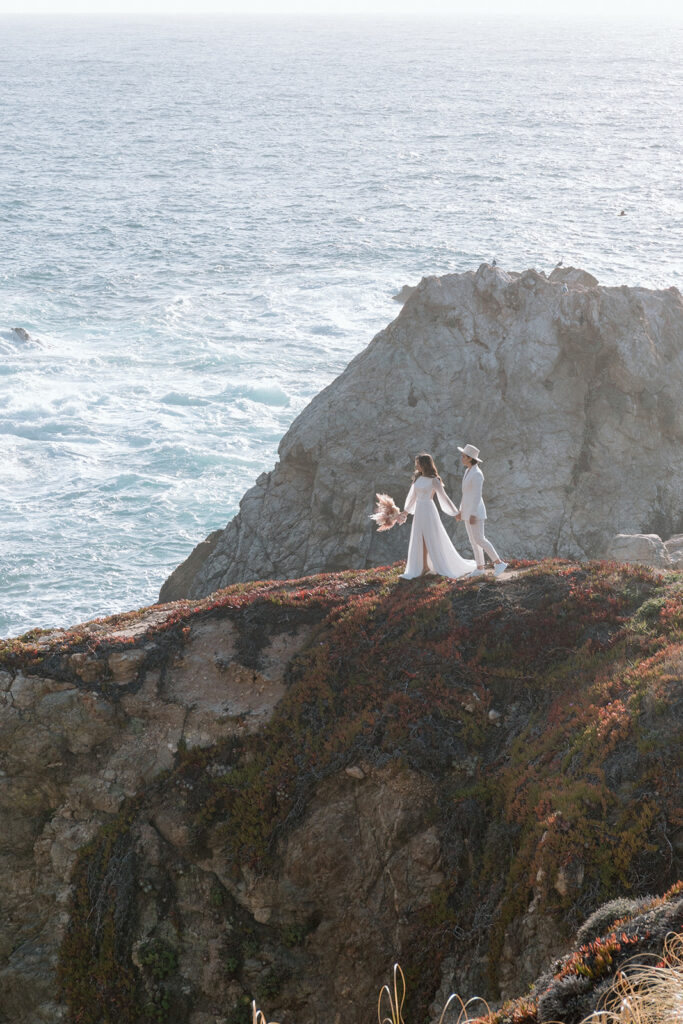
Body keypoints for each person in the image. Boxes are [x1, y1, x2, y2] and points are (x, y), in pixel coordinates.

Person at [399, 454, 476, 580]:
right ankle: (424, 567)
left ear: (424, 464)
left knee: (430, 536)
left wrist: (455, 512)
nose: (416, 465)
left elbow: (443, 497)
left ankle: (433, 565)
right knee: (420, 537)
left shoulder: (434, 480)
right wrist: (405, 513)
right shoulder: (417, 478)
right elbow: (412, 497)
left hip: (428, 509)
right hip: (419, 510)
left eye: (418, 463)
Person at [455, 444, 508, 578]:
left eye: (463, 456)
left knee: (480, 539)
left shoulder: (477, 474)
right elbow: (466, 494)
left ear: (470, 458)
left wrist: (472, 513)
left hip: (476, 512)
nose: (461, 458)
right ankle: (480, 568)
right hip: (468, 511)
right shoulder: (468, 471)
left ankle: (499, 562)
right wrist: (461, 511)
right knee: (473, 541)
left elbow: (477, 496)